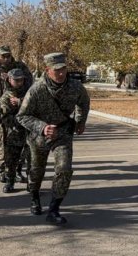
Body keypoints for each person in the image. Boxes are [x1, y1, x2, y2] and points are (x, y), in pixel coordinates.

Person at [16, 52, 90, 224]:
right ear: (47, 70)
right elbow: (22, 116)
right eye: (57, 70)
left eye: (63, 69)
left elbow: (84, 102)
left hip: (63, 133)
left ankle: (54, 209)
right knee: (36, 171)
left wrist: (80, 121)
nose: (61, 73)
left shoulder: (75, 87)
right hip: (39, 137)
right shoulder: (36, 90)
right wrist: (42, 127)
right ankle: (34, 197)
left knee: (64, 169)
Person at [0, 45, 33, 179]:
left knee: (12, 141)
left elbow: (29, 85)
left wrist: (13, 81)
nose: (6, 58)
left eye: (8, 55)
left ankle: (9, 170)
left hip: (16, 109)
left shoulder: (20, 67)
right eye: (3, 56)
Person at [0, 68, 33, 193]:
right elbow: (5, 117)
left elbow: (36, 107)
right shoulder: (6, 96)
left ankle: (31, 182)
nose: (19, 82)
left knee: (32, 158)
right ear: (9, 80)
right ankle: (10, 181)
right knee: (11, 159)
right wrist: (23, 118)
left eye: (21, 80)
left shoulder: (30, 93)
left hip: (30, 132)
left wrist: (20, 103)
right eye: (16, 80)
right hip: (15, 132)